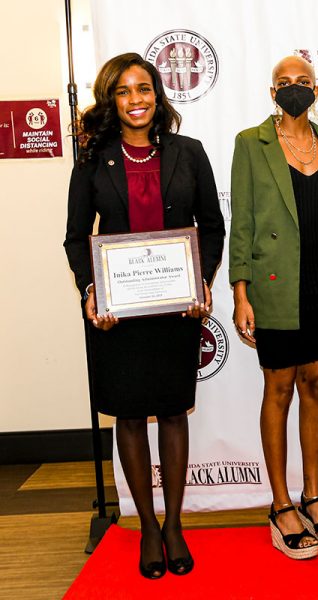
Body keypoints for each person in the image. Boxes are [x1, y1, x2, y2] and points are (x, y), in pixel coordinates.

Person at [64, 52, 225, 579]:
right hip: (119, 314)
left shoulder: (189, 152)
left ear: (158, 94)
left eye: (145, 88)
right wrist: (91, 290)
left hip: (175, 308)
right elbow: (75, 236)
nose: (136, 99)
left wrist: (200, 279)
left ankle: (175, 523)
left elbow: (212, 226)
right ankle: (148, 527)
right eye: (125, 91)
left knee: (174, 412)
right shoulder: (93, 158)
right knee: (130, 417)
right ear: (112, 99)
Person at [230, 55, 318, 560]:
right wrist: (240, 291)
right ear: (271, 91)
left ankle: (313, 496)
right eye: (285, 83)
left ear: (316, 91)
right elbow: (241, 221)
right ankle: (280, 505)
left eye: (303, 82)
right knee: (279, 386)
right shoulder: (249, 143)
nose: (295, 89)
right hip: (274, 283)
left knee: (316, 382)